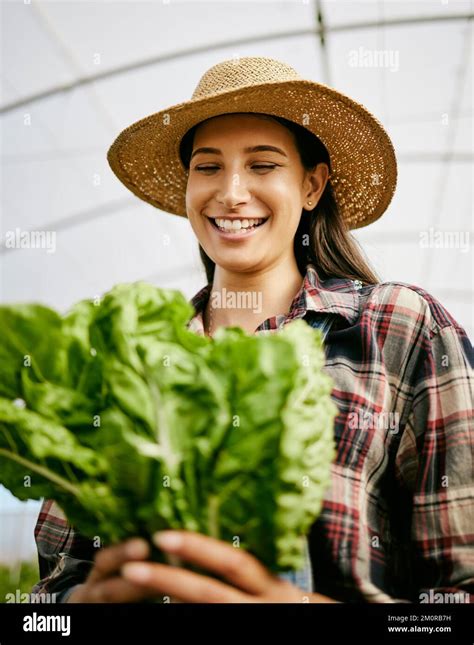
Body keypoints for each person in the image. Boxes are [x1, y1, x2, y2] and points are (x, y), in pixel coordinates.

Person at [31, 57, 473, 604]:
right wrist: (87, 602)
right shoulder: (130, 357)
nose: (232, 193)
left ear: (312, 186)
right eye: (208, 167)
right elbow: (48, 593)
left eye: (263, 166)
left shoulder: (398, 328)